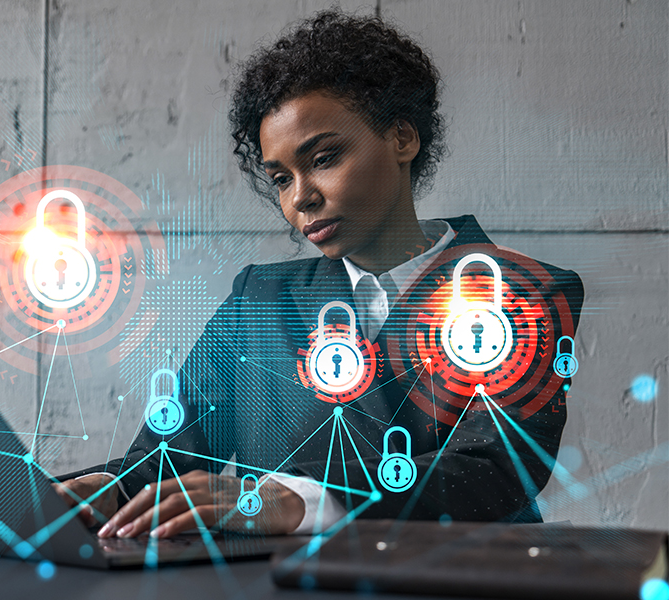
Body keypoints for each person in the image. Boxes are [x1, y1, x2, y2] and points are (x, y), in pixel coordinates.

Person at [55, 9, 584, 539]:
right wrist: (105, 492)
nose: (300, 197)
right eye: (282, 178)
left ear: (402, 138)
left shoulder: (524, 293)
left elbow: (497, 468)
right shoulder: (257, 300)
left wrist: (301, 499)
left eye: (325, 158)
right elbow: (165, 460)